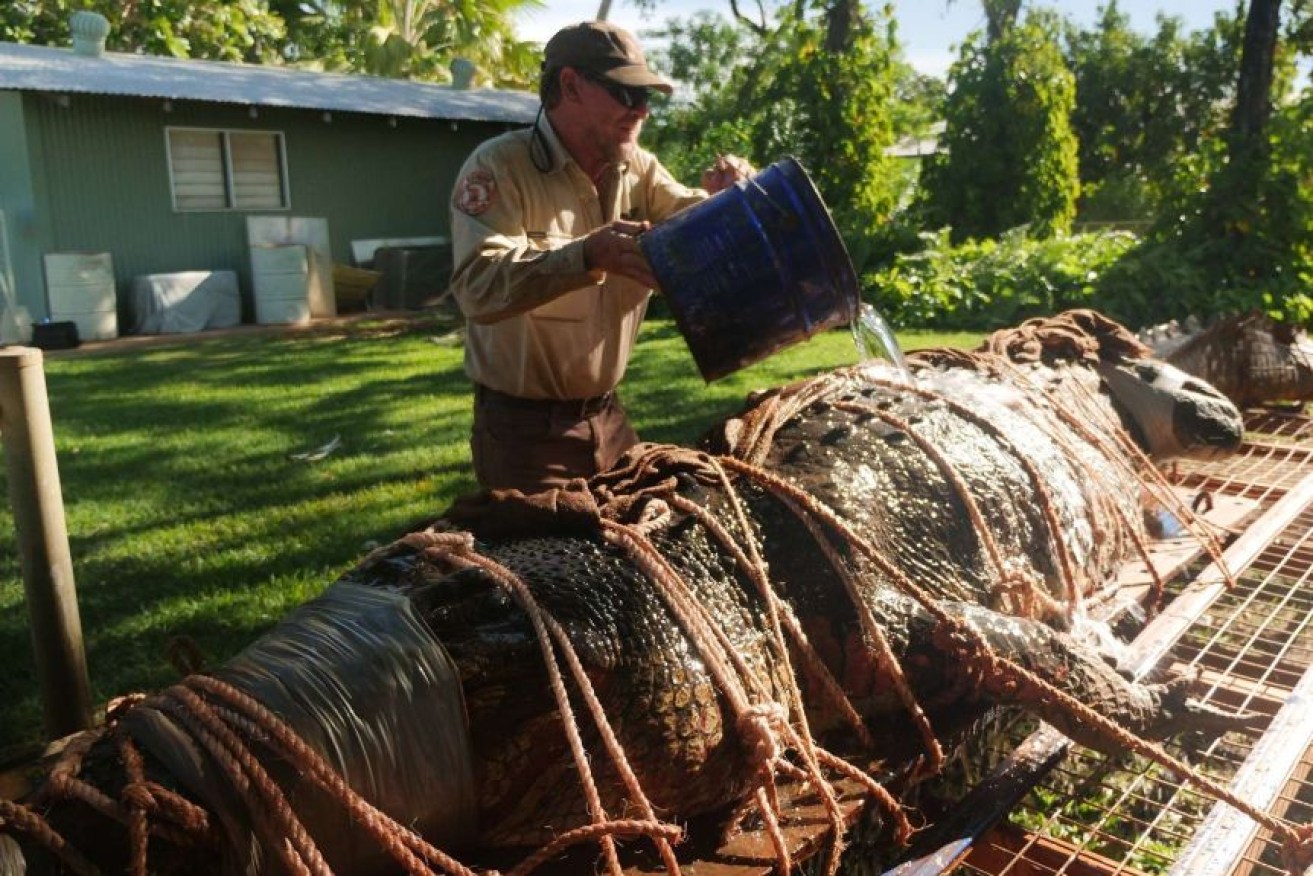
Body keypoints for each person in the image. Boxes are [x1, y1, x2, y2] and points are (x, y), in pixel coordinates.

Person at [447, 20, 753, 495]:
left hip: (609, 419)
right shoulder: (498, 168)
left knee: (640, 553)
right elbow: (477, 287)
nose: (643, 111)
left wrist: (729, 202)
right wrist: (586, 255)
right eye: (626, 94)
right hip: (523, 436)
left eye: (647, 97)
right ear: (570, 85)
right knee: (546, 566)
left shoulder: (639, 168)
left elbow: (690, 222)